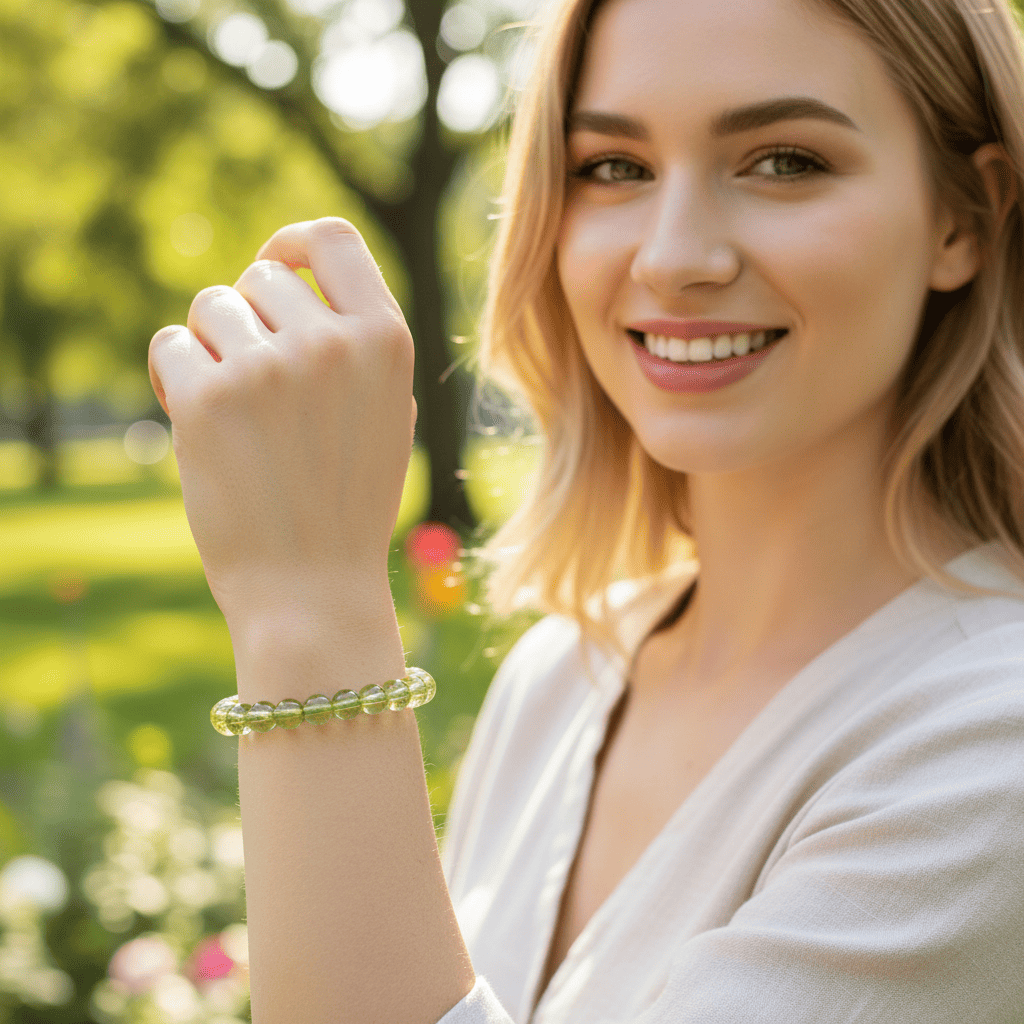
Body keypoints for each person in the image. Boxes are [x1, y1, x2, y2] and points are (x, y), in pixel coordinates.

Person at [147, 0, 1024, 1019]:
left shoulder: (989, 746)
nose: (672, 256)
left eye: (785, 161)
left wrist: (311, 614)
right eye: (614, 166)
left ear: (965, 218)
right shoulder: (560, 672)